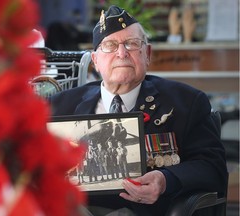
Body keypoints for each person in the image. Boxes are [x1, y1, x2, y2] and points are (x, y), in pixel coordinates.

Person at [48, 5, 227, 216]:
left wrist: (165, 180)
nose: (122, 53)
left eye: (132, 44)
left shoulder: (186, 103)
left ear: (147, 54)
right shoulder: (59, 107)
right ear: (95, 61)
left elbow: (212, 167)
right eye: (110, 45)